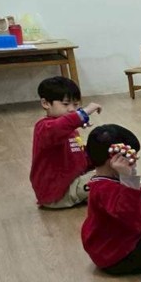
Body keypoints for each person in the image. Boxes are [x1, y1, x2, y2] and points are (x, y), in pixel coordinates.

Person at [81, 124, 141, 274]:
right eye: (131, 158)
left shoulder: (105, 181)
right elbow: (134, 216)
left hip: (115, 245)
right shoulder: (105, 189)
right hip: (118, 257)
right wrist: (128, 178)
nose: (134, 163)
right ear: (115, 160)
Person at [30, 76, 99, 208]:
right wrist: (84, 113)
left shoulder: (70, 130)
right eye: (66, 104)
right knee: (109, 179)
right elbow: (60, 126)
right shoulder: (44, 128)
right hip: (58, 193)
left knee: (112, 170)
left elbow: (78, 155)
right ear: (45, 103)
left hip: (72, 183)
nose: (72, 109)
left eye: (76, 105)